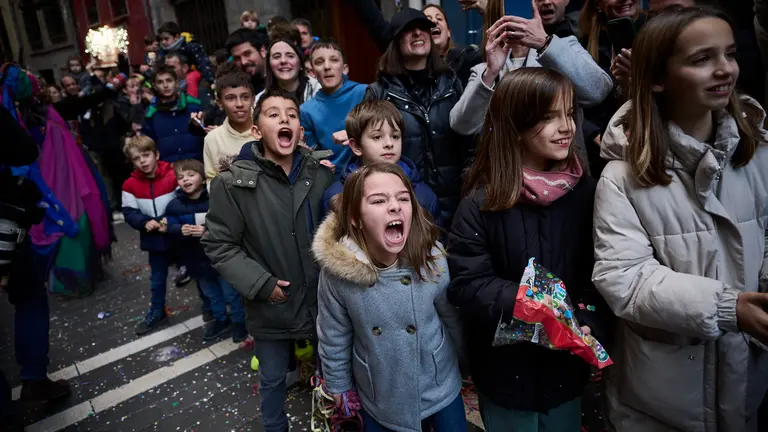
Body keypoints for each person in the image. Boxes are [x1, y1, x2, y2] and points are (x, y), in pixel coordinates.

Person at [592, 8, 768, 431]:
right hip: (662, 399)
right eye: (702, 59)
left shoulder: (758, 156)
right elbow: (625, 278)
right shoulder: (622, 177)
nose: (724, 69)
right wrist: (729, 307)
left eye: (729, 54)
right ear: (657, 77)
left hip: (748, 385)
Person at [447, 68, 607, 431]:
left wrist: (588, 319)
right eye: (549, 116)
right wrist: (526, 300)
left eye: (569, 113)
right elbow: (468, 283)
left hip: (565, 372)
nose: (565, 126)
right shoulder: (481, 201)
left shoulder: (585, 193)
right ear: (515, 124)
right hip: (506, 376)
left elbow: (595, 273)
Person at [201, 89, 333, 432]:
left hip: (322, 300)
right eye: (273, 114)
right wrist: (262, 284)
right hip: (272, 304)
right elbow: (219, 244)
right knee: (273, 378)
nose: (285, 119)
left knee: (332, 374)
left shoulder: (321, 173)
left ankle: (336, 423)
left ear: (300, 130)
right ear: (257, 131)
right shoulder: (234, 184)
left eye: (291, 114)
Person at [313, 162, 464, 432]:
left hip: (439, 383)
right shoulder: (338, 274)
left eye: (403, 198)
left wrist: (466, 362)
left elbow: (449, 315)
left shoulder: (432, 257)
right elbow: (333, 333)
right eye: (379, 200)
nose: (395, 206)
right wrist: (338, 385)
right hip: (380, 394)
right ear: (355, 218)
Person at [449, 0, 612, 177]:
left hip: (564, 177)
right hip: (507, 180)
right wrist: (491, 72)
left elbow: (598, 90)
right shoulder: (484, 70)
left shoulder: (561, 48)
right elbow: (461, 125)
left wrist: (544, 43)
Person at [365, 8, 469, 227]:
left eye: (423, 28)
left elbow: (468, 141)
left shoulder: (451, 83)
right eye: (409, 30)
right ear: (395, 41)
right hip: (408, 206)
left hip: (459, 203)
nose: (418, 34)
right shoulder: (379, 92)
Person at [163, 159, 248, 343]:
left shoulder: (214, 200)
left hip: (220, 258)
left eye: (191, 175)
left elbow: (228, 223)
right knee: (211, 293)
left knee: (230, 293)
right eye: (180, 177)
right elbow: (168, 225)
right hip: (195, 259)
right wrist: (179, 229)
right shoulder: (174, 205)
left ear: (203, 179)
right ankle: (220, 320)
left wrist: (207, 231)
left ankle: (239, 322)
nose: (185, 180)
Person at [321, 100, 441, 224]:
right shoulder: (337, 196)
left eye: (395, 136)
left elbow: (435, 240)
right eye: (377, 137)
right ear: (356, 146)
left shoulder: (423, 196)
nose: (389, 144)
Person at [121, 135, 179, 335]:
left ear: (156, 155)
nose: (143, 161)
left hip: (179, 236)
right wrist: (144, 222)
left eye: (146, 155)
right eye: (137, 158)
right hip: (154, 239)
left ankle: (212, 309)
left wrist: (168, 220)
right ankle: (157, 311)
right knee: (157, 279)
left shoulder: (173, 175)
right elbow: (129, 212)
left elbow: (183, 199)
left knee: (199, 271)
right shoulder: (130, 185)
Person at [300, 40, 367, 178]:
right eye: (319, 62)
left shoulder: (364, 92)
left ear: (345, 68)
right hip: (334, 179)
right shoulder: (306, 110)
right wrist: (320, 164)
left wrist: (354, 132)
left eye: (334, 60)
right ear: (312, 72)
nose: (327, 66)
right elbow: (313, 154)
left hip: (368, 170)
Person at [141, 65, 204, 163]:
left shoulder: (193, 106)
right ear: (154, 86)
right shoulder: (151, 114)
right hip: (168, 170)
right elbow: (149, 147)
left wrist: (199, 128)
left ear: (177, 83)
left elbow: (208, 136)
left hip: (196, 167)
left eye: (169, 80)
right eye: (160, 82)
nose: (165, 85)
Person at [203, 68, 255, 181]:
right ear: (220, 103)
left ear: (253, 100)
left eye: (245, 97)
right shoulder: (212, 139)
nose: (239, 104)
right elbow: (211, 180)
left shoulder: (266, 130)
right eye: (230, 98)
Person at [256, 39, 321, 104]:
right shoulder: (259, 101)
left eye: (290, 56)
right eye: (277, 57)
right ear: (269, 66)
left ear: (301, 64)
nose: (283, 60)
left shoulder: (319, 90)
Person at [226, 28, 268, 96]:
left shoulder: (282, 80)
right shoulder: (236, 91)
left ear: (262, 51)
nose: (243, 62)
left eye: (247, 54)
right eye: (237, 58)